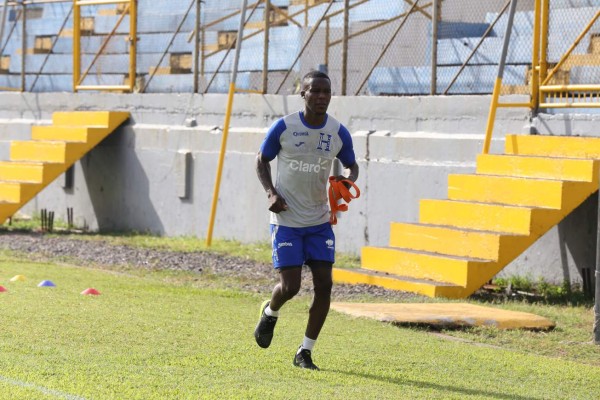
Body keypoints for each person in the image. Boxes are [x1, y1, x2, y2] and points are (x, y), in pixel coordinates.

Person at [253, 70, 359, 370]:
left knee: (325, 284)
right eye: (315, 91)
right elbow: (261, 159)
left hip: (319, 221)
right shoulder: (284, 126)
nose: (321, 97)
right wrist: (271, 193)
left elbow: (353, 166)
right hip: (286, 220)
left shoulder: (338, 132)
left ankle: (305, 352)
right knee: (291, 287)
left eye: (326, 92)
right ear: (303, 93)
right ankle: (270, 312)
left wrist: (346, 181)